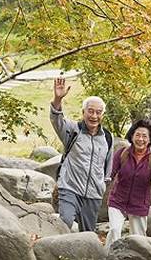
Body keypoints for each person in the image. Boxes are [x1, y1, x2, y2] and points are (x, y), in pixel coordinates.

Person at [50, 77, 112, 232]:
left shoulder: (108, 137)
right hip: (69, 187)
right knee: (65, 221)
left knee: (88, 234)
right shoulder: (73, 130)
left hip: (93, 194)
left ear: (102, 115)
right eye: (90, 111)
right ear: (83, 112)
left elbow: (107, 167)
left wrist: (103, 185)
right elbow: (57, 120)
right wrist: (58, 99)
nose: (94, 116)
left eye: (98, 112)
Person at [105, 120, 151, 251]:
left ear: (149, 140)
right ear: (131, 136)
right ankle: (108, 255)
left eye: (144, 136)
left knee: (139, 240)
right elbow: (110, 174)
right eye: (137, 135)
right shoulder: (122, 153)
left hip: (139, 204)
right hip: (117, 200)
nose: (140, 139)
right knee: (114, 231)